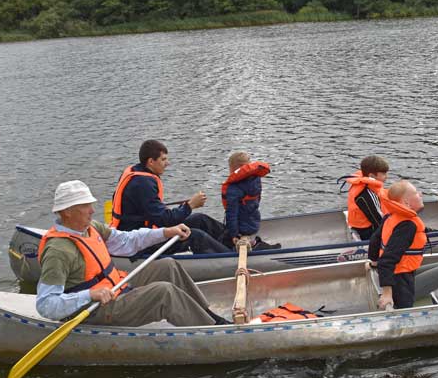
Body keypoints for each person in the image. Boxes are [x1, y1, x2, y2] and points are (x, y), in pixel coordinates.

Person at [36, 180, 229, 327]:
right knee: (164, 292)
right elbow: (46, 305)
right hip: (95, 310)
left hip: (117, 287)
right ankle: (213, 331)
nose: (92, 210)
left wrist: (166, 232)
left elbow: (127, 241)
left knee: (168, 265)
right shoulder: (58, 251)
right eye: (85, 205)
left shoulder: (90, 227)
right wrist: (90, 295)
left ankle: (208, 316)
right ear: (67, 212)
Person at [368, 180, 438, 309]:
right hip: (401, 289)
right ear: (406, 202)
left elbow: (374, 240)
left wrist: (373, 262)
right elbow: (386, 261)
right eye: (416, 193)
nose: (421, 194)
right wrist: (387, 293)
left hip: (403, 276)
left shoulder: (391, 216)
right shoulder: (407, 226)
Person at [110, 139, 229, 254]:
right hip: (139, 242)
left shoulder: (136, 173)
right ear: (151, 161)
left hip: (148, 230)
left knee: (200, 219)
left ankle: (234, 241)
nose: (167, 163)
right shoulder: (143, 183)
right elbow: (164, 221)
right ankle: (232, 258)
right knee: (195, 236)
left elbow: (154, 213)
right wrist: (190, 205)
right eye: (163, 159)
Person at [221, 151, 280, 250]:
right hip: (253, 223)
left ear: (233, 168)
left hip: (241, 228)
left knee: (225, 240)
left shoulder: (234, 188)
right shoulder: (255, 180)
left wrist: (234, 234)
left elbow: (231, 214)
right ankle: (256, 242)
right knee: (248, 238)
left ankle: (259, 247)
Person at [345, 155, 390, 240]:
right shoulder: (365, 194)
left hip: (363, 224)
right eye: (384, 174)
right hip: (367, 231)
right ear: (372, 176)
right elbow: (378, 221)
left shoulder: (366, 185)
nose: (387, 176)